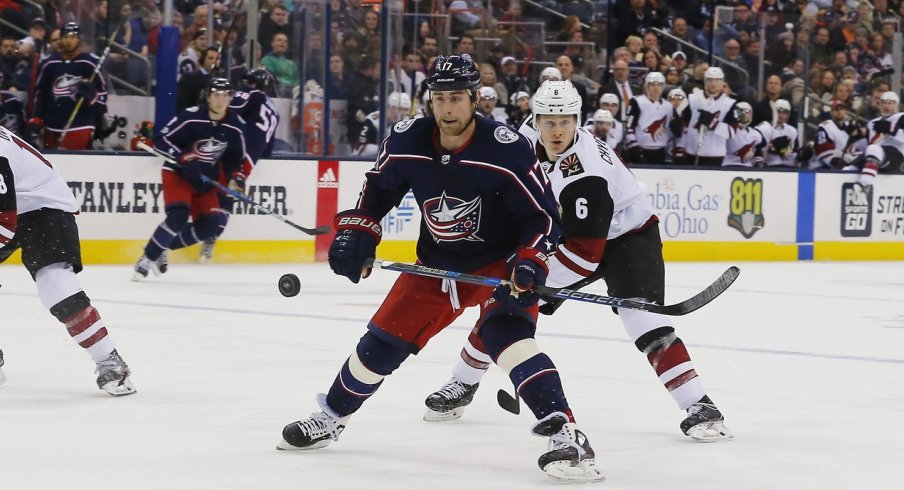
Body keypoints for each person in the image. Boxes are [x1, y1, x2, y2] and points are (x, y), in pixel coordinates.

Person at [276, 55, 604, 482]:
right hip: (436, 265)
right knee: (381, 342)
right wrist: (360, 230)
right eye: (439, 99)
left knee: (507, 336)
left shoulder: (505, 148)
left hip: (498, 265)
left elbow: (542, 216)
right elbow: (377, 190)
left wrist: (529, 260)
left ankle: (567, 435)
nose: (447, 108)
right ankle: (332, 416)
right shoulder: (408, 140)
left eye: (456, 99)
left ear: (474, 100)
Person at [422, 80, 732, 443]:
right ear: (535, 120)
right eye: (549, 121)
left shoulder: (587, 174)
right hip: (567, 228)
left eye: (565, 121)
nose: (556, 130)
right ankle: (463, 382)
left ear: (578, 121)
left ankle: (699, 404)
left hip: (627, 236)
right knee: (505, 304)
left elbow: (585, 257)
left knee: (640, 317)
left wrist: (533, 281)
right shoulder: (523, 138)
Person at [0, 125, 135, 396]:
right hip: (16, 206)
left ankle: (109, 360)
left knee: (55, 282)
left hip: (45, 207)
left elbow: (4, 220)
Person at [132, 78, 251, 280]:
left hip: (204, 179)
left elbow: (234, 161)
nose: (220, 100)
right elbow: (161, 140)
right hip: (177, 173)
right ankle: (147, 257)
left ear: (231, 98)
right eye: (216, 95)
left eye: (225, 95)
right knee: (178, 216)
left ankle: (161, 246)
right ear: (208, 96)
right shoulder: (191, 117)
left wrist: (236, 180)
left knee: (210, 227)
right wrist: (184, 157)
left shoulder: (236, 126)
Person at [200, 68, 279, 263]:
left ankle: (200, 228)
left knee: (207, 185)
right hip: (250, 159)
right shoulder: (275, 111)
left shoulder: (252, 93)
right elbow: (268, 149)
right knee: (228, 194)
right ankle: (212, 237)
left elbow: (230, 110)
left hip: (235, 150)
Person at [29, 22, 108, 150]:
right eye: (65, 37)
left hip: (81, 125)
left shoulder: (90, 63)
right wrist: (36, 118)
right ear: (60, 39)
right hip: (51, 125)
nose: (68, 41)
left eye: (72, 37)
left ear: (79, 39)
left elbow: (102, 94)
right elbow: (40, 93)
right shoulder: (48, 64)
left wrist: (92, 99)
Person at [677, 67, 737, 166]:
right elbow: (684, 126)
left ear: (722, 82)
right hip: (691, 153)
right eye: (710, 80)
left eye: (717, 80)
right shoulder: (691, 99)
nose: (713, 83)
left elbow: (732, 132)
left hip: (715, 156)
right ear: (705, 81)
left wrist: (712, 123)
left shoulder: (732, 103)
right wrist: (680, 146)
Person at [856, 91, 904, 190]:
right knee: (851, 166)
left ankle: (864, 185)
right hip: (877, 156)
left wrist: (891, 129)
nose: (887, 106)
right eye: (884, 103)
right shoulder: (872, 123)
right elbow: (870, 144)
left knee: (874, 149)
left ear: (896, 105)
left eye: (890, 103)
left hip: (896, 156)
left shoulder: (901, 117)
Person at [623, 72, 673, 164]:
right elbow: (629, 125)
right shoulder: (637, 102)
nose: (656, 87)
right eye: (652, 84)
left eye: (659, 84)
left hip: (660, 151)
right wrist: (633, 145)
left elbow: (669, 128)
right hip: (640, 150)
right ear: (646, 86)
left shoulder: (669, 106)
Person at [353, 91, 411, 157]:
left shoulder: (408, 121)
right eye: (399, 109)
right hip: (370, 162)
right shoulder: (373, 120)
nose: (402, 113)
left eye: (405, 110)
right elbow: (360, 148)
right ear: (389, 107)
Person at [756, 99, 800, 168]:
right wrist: (772, 146)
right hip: (770, 167)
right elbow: (756, 149)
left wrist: (800, 155)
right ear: (773, 112)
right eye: (779, 111)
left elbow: (795, 151)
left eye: (785, 112)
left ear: (788, 114)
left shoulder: (792, 130)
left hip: (790, 168)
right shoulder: (764, 128)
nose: (781, 115)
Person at [722, 102, 766, 167]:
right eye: (740, 111)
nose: (743, 114)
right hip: (728, 165)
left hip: (747, 168)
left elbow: (759, 148)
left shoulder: (755, 133)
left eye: (747, 111)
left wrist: (758, 162)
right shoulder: (728, 129)